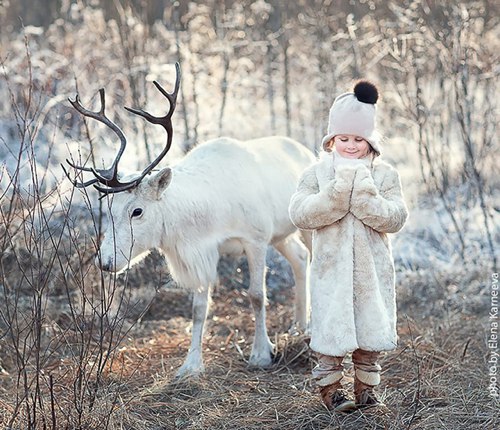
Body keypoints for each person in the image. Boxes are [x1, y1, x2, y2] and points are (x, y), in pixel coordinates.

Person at [289, 81, 408, 412]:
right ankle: (331, 391)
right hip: (331, 272)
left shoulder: (384, 175)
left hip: (371, 273)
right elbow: (300, 213)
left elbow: (395, 218)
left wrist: (366, 194)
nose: (351, 145)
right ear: (331, 140)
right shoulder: (315, 174)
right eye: (344, 139)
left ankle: (367, 391)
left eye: (359, 139)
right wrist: (338, 191)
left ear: (369, 140)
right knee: (330, 334)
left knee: (370, 336)